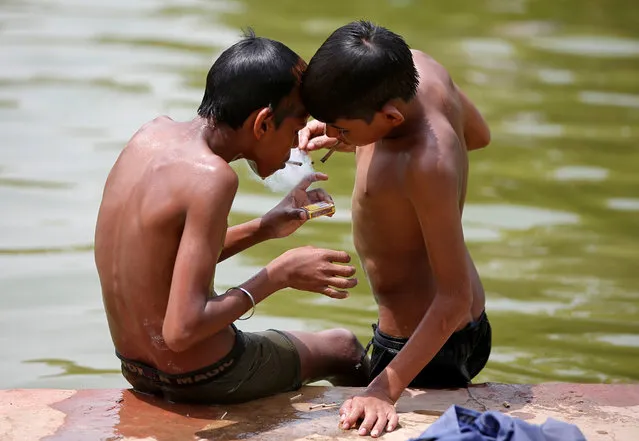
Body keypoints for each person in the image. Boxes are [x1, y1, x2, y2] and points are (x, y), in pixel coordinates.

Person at [94, 30, 369, 405]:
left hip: (136, 368)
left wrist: (264, 228)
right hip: (204, 374)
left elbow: (158, 260)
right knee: (344, 347)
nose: (296, 142)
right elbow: (182, 329)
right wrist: (279, 274)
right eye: (295, 126)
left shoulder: (150, 135)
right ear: (262, 123)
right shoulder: (214, 178)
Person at [298, 21, 492, 437]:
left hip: (427, 343)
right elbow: (478, 135)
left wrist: (383, 392)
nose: (333, 135)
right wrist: (352, 134)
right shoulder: (422, 68)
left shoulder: (425, 164)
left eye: (343, 128)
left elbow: (454, 297)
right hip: (447, 328)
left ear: (390, 115)